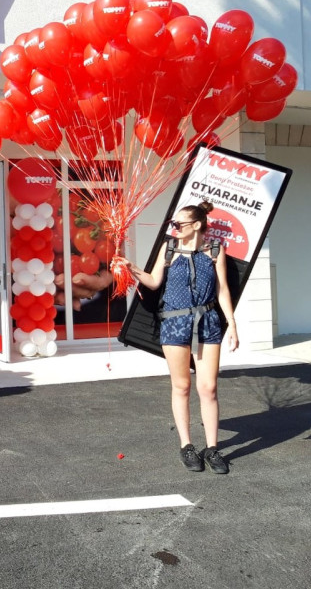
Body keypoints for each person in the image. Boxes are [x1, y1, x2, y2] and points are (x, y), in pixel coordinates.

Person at [120, 201, 239, 474]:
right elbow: (153, 282)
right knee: (182, 386)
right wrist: (131, 267)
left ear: (196, 225)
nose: (174, 228)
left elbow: (222, 290)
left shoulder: (215, 250)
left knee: (208, 387)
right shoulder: (169, 248)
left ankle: (212, 448)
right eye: (173, 224)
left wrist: (232, 323)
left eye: (179, 224)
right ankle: (186, 446)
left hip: (208, 322)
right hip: (174, 322)